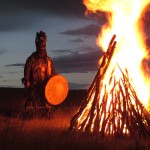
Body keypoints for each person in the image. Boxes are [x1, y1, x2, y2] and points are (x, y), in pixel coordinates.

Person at [23, 31, 55, 108]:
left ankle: (46, 114)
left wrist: (54, 80)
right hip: (33, 84)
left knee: (45, 101)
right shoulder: (31, 59)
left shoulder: (48, 60)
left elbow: (52, 72)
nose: (42, 46)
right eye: (40, 43)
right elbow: (27, 71)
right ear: (37, 44)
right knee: (32, 100)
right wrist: (27, 80)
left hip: (45, 84)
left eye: (43, 43)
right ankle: (31, 114)